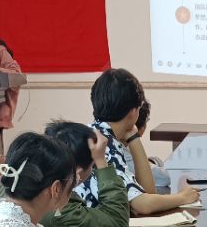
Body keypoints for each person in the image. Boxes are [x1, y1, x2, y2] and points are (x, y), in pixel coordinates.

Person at [80, 69, 200, 218]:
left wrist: (134, 137)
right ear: (133, 111)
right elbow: (142, 205)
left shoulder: (94, 132)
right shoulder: (104, 144)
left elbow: (147, 192)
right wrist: (182, 197)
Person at [41, 120, 131, 227]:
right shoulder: (57, 208)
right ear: (77, 173)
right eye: (92, 165)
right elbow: (117, 219)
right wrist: (101, 161)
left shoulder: (33, 185)